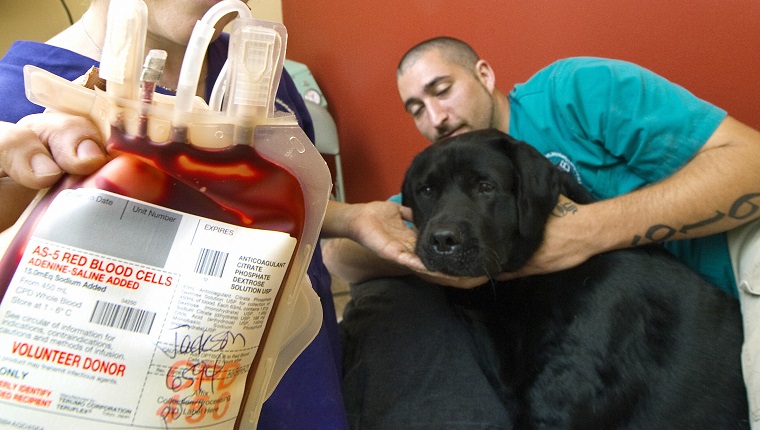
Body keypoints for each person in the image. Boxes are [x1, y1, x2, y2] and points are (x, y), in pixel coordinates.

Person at [325, 37, 760, 428]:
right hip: (652, 313)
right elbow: (342, 256)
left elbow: (753, 166)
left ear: (484, 74)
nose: (436, 118)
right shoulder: (451, 172)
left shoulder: (575, 90)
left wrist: (586, 231)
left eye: (442, 90)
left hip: (737, 248)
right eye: (416, 108)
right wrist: (412, 248)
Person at [0, 0, 370, 427]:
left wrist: (351, 219)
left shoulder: (264, 79)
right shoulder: (13, 107)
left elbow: (264, 211)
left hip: (302, 396)